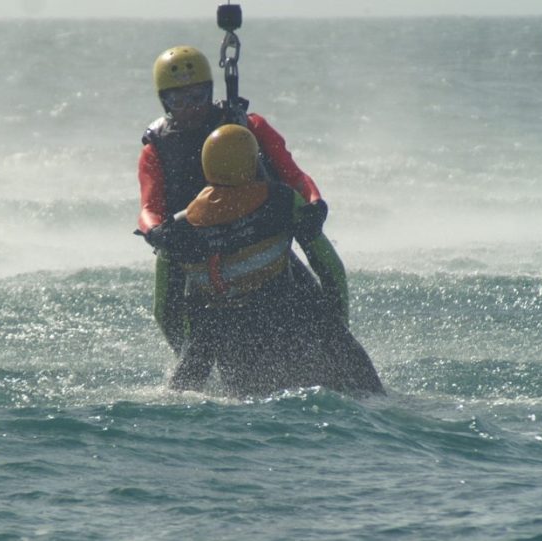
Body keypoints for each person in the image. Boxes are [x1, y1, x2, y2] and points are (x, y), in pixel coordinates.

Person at [153, 124, 384, 396]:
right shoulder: (281, 201)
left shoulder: (178, 228)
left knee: (182, 390)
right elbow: (331, 268)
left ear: (206, 167)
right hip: (285, 317)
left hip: (220, 338)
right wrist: (337, 327)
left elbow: (164, 309)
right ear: (253, 162)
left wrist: (186, 350)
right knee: (370, 393)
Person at [136, 45, 333, 355]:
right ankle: (188, 359)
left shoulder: (248, 125)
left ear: (210, 90)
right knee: (167, 308)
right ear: (164, 101)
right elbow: (148, 209)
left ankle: (338, 331)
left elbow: (294, 176)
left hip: (260, 238)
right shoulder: (155, 150)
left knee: (321, 283)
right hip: (195, 250)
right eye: (178, 99)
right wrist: (158, 233)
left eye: (198, 96)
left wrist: (314, 205)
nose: (190, 107)